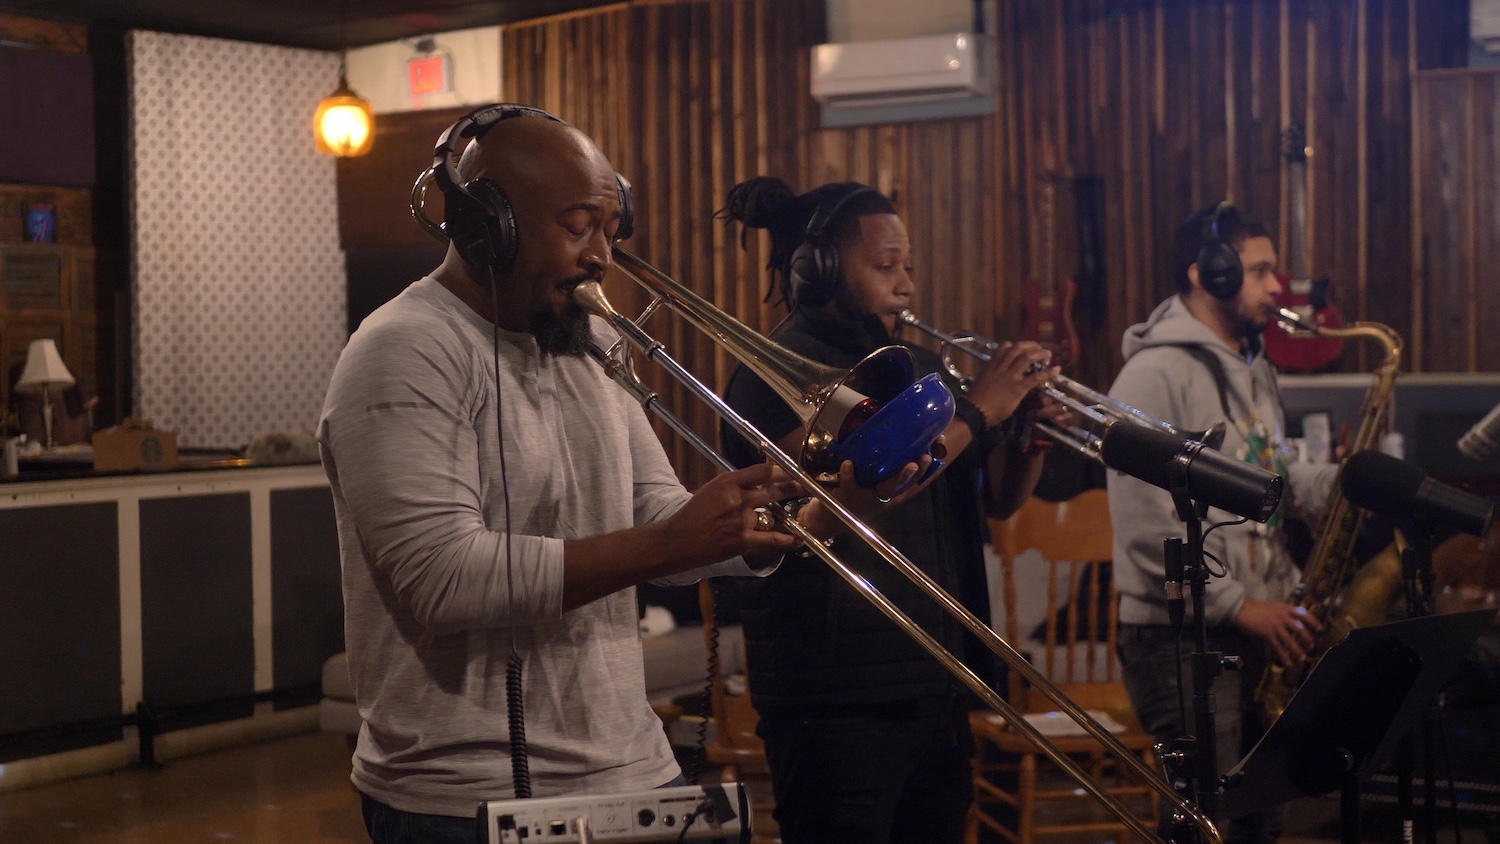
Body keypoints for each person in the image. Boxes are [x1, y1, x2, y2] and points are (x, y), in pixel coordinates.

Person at [318, 106, 869, 844]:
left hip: (635, 765)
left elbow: (654, 514)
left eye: (611, 230)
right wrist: (670, 543)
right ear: (488, 228)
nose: (602, 256)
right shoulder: (405, 350)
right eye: (578, 227)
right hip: (463, 794)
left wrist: (816, 508)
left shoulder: (591, 339)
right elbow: (442, 580)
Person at [716, 177, 1068, 844]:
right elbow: (859, 479)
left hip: (936, 674)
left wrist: (1024, 432)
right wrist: (980, 410)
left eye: (908, 265)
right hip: (835, 692)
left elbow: (996, 498)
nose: (906, 284)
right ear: (818, 270)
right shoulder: (777, 371)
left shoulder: (923, 368)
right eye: (885, 266)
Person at [1106, 202, 1338, 843]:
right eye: (1260, 271)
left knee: (1263, 820)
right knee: (1204, 825)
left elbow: (1270, 469)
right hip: (1184, 640)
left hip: (1256, 626)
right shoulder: (1154, 374)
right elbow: (1146, 524)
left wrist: (1342, 483)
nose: (1276, 287)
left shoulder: (1250, 364)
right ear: (1207, 272)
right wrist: (1238, 605)